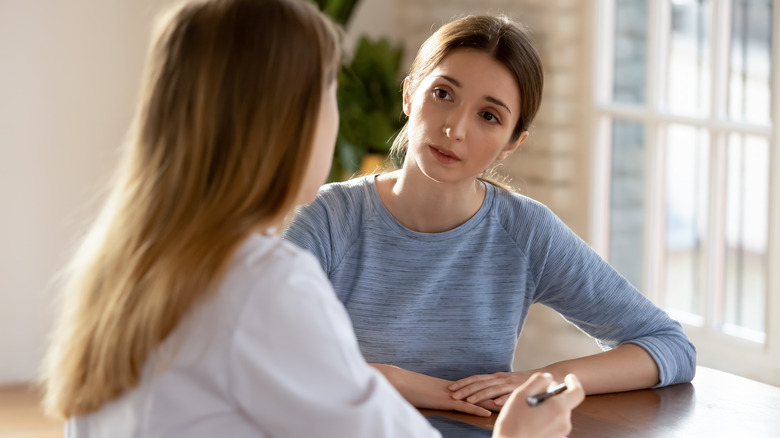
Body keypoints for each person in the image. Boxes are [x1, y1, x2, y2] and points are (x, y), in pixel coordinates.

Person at [39, 0, 584, 437]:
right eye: (328, 90)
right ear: (285, 120)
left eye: (489, 115)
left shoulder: (124, 265)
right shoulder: (264, 282)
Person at [283, 13, 697, 416]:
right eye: (443, 94)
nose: (456, 129)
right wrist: (413, 384)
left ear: (511, 144)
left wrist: (539, 381)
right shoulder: (328, 219)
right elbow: (259, 348)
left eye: (488, 116)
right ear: (409, 94)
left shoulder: (525, 232)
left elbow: (669, 346)